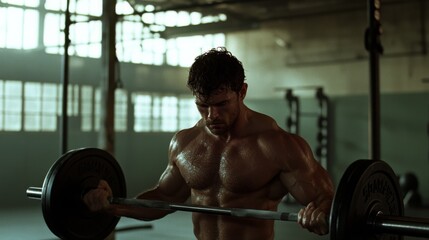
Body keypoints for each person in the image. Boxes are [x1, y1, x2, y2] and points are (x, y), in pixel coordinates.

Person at [84, 47, 334, 240]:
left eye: (221, 104)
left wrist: (319, 215)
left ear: (242, 92)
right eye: (202, 105)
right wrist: (113, 205)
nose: (211, 115)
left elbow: (327, 200)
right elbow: (164, 197)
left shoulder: (277, 146)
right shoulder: (184, 142)